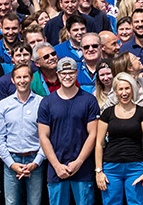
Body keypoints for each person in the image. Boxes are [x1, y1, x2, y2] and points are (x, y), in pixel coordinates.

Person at [38, 57, 102, 205]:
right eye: (63, 73)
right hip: (56, 171)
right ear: (58, 74)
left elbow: (93, 134)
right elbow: (43, 136)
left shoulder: (89, 101)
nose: (67, 76)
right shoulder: (47, 102)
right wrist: (56, 165)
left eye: (71, 73)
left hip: (83, 170)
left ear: (77, 73)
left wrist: (78, 162)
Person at [96, 74, 143, 205]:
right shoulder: (107, 113)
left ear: (133, 89)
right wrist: (99, 171)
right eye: (120, 89)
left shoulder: (142, 113)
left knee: (138, 202)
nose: (124, 92)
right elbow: (99, 143)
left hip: (136, 167)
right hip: (111, 167)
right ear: (116, 92)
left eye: (127, 88)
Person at [0, 64, 47, 205]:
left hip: (35, 159)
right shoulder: (4, 105)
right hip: (12, 159)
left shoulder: (41, 103)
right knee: (11, 203)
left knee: (35, 202)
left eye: (25, 76)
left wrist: (37, 162)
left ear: (31, 78)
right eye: (18, 77)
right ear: (12, 80)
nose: (22, 80)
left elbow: (46, 137)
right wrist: (11, 163)